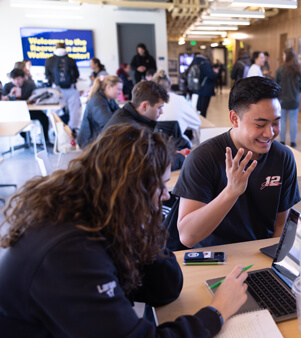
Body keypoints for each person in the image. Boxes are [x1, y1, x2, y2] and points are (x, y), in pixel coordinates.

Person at [0, 124, 249, 337]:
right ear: (131, 190)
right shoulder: (70, 251)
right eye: (160, 186)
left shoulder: (101, 218)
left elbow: (166, 289)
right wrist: (217, 311)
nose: (165, 196)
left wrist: (145, 228)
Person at [172, 76, 301, 248]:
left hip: (260, 256)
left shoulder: (283, 157)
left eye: (276, 123)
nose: (270, 133)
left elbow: (280, 225)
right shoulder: (203, 158)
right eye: (260, 124)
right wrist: (231, 192)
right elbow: (188, 236)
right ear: (234, 119)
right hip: (216, 258)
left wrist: (272, 264)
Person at [103, 81, 187, 170]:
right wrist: (180, 158)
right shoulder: (132, 130)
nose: (161, 112)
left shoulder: (123, 114)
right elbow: (150, 167)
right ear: (144, 106)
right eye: (159, 107)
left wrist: (167, 152)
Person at [2, 68, 51, 146]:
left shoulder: (30, 84)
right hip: (14, 113)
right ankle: (27, 139)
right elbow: (3, 100)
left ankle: (46, 140)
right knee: (19, 122)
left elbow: (36, 95)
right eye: (14, 79)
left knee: (44, 117)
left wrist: (29, 100)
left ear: (23, 78)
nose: (16, 82)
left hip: (29, 111)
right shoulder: (8, 86)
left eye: (18, 79)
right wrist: (10, 95)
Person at [154, 70, 202, 141]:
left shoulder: (150, 102)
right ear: (170, 84)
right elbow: (197, 122)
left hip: (154, 145)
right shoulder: (179, 100)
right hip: (176, 146)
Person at [44, 41, 82, 131]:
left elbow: (47, 75)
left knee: (54, 110)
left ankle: (56, 129)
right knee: (74, 110)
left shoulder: (49, 60)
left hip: (57, 89)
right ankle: (73, 128)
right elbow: (77, 74)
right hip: (71, 88)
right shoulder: (70, 60)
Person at [77, 75, 122, 148]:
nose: (120, 92)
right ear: (108, 87)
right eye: (118, 89)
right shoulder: (98, 101)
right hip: (90, 142)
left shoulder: (109, 99)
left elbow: (120, 114)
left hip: (98, 137)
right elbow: (108, 124)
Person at [275, 48, 301, 148]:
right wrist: (296, 93)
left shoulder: (280, 69)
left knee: (282, 120)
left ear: (286, 56)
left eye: (283, 55)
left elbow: (276, 83)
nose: (283, 57)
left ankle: (282, 141)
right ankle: (293, 141)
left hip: (282, 99)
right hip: (294, 99)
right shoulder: (298, 69)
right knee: (293, 120)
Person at [189, 50, 217, 118]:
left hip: (196, 88)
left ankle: (198, 123)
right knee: (203, 111)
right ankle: (202, 125)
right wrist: (215, 72)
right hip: (205, 89)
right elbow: (211, 75)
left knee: (198, 109)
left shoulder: (195, 61)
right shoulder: (205, 62)